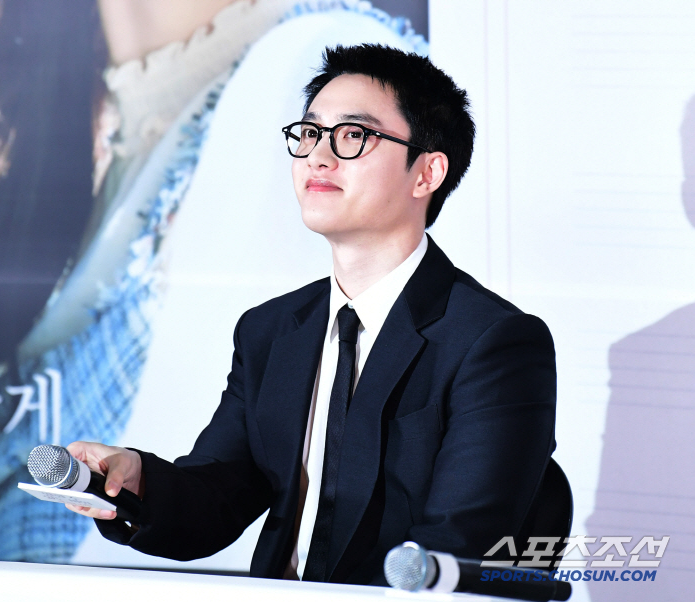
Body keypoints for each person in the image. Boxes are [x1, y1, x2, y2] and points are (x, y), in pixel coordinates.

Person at [65, 44, 557, 585]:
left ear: (426, 173)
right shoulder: (272, 331)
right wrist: (136, 479)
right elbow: (216, 499)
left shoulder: (493, 342)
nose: (318, 156)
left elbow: (459, 544)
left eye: (353, 135)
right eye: (310, 133)